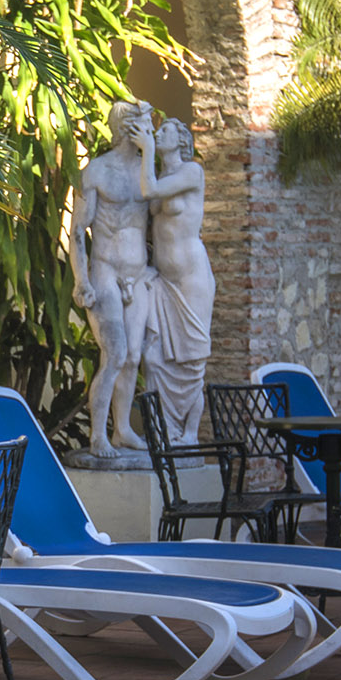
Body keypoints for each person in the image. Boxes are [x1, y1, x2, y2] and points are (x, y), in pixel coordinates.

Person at [67, 100, 156, 460]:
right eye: (143, 125)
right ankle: (98, 438)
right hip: (105, 271)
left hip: (137, 274)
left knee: (133, 356)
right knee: (115, 353)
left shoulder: (148, 172)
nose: (147, 131)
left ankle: (122, 431)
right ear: (126, 128)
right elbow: (76, 231)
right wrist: (80, 279)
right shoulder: (98, 171)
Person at [136, 112, 214, 439]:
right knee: (152, 358)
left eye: (166, 129)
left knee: (191, 365)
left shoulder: (191, 172)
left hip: (191, 279)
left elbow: (149, 190)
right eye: (158, 130)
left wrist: (146, 148)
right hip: (163, 280)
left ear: (181, 140)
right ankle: (163, 431)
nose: (159, 132)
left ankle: (191, 433)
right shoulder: (160, 174)